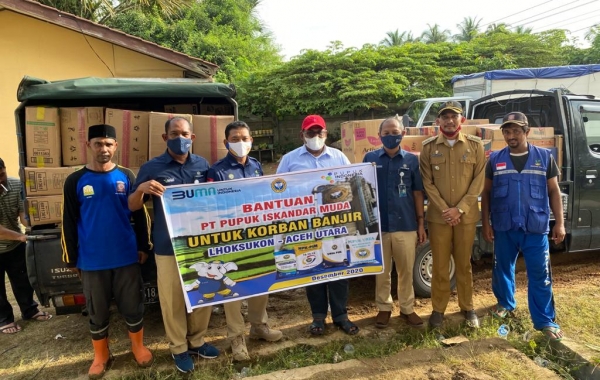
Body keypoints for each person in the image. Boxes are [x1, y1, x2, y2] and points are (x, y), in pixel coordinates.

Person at [61, 125, 153, 379]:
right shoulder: (75, 180)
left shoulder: (126, 175)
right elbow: (68, 220)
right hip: (92, 260)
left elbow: (140, 213)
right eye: (98, 143)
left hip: (125, 256)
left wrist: (143, 246)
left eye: (109, 144)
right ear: (89, 145)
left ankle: (138, 346)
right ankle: (101, 355)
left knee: (132, 305)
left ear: (116, 146)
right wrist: (71, 258)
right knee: (97, 310)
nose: (104, 149)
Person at [128, 117, 219, 373]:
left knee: (204, 291)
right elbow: (132, 205)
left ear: (193, 137)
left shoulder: (202, 164)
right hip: (167, 245)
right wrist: (142, 188)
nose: (181, 138)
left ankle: (197, 341)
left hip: (200, 243)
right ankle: (179, 347)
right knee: (173, 299)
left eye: (185, 133)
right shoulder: (151, 167)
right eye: (175, 133)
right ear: (165, 137)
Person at [481, 112, 565, 342]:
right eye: (507, 132)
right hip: (504, 226)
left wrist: (560, 222)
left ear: (527, 132)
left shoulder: (544, 157)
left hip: (535, 227)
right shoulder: (495, 159)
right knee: (502, 269)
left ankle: (545, 321)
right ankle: (505, 303)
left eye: (516, 131)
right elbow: (486, 193)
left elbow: (554, 191)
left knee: (540, 274)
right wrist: (485, 223)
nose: (511, 136)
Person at [207, 120, 283, 361]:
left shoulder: (256, 166)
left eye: (245, 138)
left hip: (257, 234)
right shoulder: (216, 170)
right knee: (234, 287)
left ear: (252, 141)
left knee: (261, 280)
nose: (241, 143)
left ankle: (259, 326)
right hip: (230, 238)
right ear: (226, 142)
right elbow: (212, 206)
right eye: (235, 139)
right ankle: (236, 336)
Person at [276, 114, 359, 336]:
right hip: (305, 226)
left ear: (326, 134)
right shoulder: (289, 160)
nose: (315, 136)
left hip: (335, 225)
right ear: (301, 135)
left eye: (319, 132)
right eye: (310, 133)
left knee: (339, 268)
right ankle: (318, 318)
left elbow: (350, 186)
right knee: (312, 268)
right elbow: (277, 190)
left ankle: (341, 315)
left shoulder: (339, 157)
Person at [419, 101, 485, 329]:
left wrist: (460, 209)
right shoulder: (428, 148)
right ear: (437, 121)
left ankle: (468, 307)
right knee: (439, 265)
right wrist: (446, 210)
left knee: (464, 263)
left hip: (465, 218)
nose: (449, 120)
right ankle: (438, 309)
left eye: (453, 116)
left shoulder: (475, 146)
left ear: (462, 120)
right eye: (444, 117)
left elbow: (478, 182)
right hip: (439, 218)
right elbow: (427, 183)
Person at [363, 118, 426, 328]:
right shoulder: (370, 159)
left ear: (403, 133)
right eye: (387, 132)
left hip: (406, 224)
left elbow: (417, 193)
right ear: (380, 135)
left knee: (406, 270)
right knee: (382, 271)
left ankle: (407, 308)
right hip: (378, 226)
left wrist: (420, 223)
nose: (391, 136)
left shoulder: (411, 160)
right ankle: (383, 308)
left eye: (395, 132)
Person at [0, 158, 52, 335]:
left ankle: (29, 310)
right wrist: (21, 236)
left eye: (2, 174)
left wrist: (33, 220)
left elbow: (23, 216)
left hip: (14, 246)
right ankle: (4, 319)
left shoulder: (15, 185)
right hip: (14, 238)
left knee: (23, 280)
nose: (1, 180)